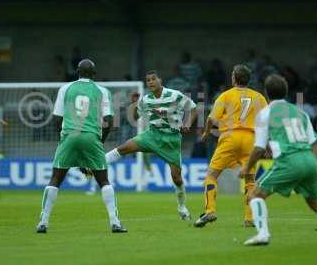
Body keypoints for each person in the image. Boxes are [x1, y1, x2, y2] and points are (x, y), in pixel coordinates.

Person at [239, 74, 317, 246]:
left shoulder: (265, 114)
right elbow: (314, 145)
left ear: (266, 92)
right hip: (308, 159)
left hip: (288, 161)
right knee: (315, 202)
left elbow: (259, 148)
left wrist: (246, 167)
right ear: (286, 92)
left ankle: (263, 234)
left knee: (254, 195)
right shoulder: (301, 113)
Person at [36, 59, 127, 234]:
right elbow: (108, 120)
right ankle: (115, 223)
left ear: (77, 72)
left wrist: (63, 139)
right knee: (103, 181)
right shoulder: (102, 91)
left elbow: (57, 118)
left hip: (69, 135)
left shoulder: (65, 88)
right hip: (91, 137)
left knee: (55, 179)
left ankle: (43, 222)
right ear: (94, 73)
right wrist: (99, 142)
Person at [105, 70, 197, 221]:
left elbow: (193, 109)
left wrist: (187, 123)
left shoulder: (174, 95)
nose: (151, 82)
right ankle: (96, 164)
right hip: (152, 135)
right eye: (148, 80)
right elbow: (135, 117)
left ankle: (182, 207)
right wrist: (134, 105)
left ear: (160, 80)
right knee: (124, 147)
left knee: (177, 178)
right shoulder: (146, 99)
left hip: (171, 140)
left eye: (153, 79)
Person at [194, 65, 267, 228]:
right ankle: (249, 218)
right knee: (250, 180)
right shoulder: (259, 97)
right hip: (251, 139)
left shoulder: (226, 96)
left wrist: (206, 133)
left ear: (234, 78)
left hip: (230, 137)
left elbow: (211, 119)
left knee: (211, 175)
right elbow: (266, 122)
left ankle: (210, 210)